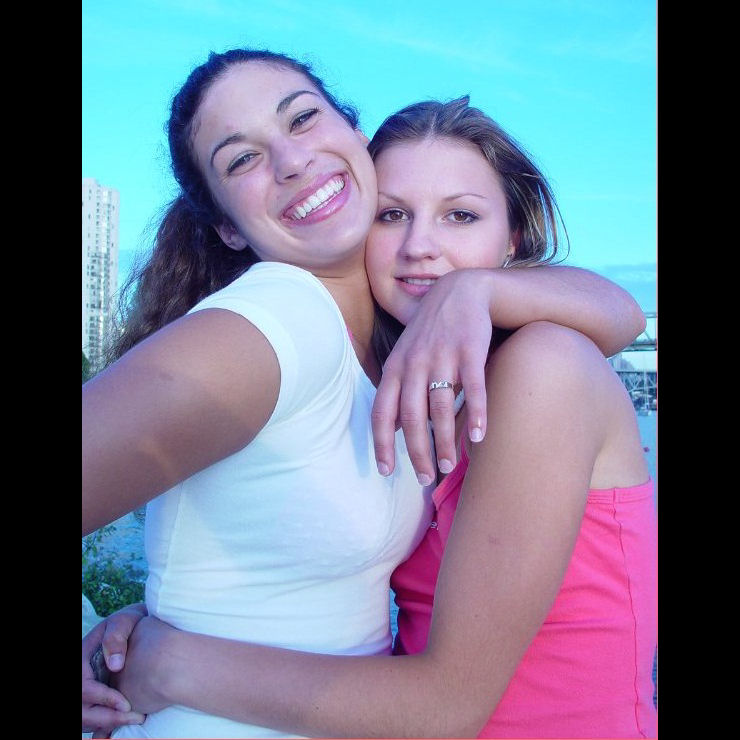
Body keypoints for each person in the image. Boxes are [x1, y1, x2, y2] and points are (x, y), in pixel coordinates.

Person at [82, 47, 648, 738]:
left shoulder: (503, 368)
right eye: (392, 215)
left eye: (461, 216)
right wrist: (148, 632)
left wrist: (171, 659)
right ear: (226, 224)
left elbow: (623, 315)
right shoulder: (293, 327)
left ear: (514, 240)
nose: (420, 246)